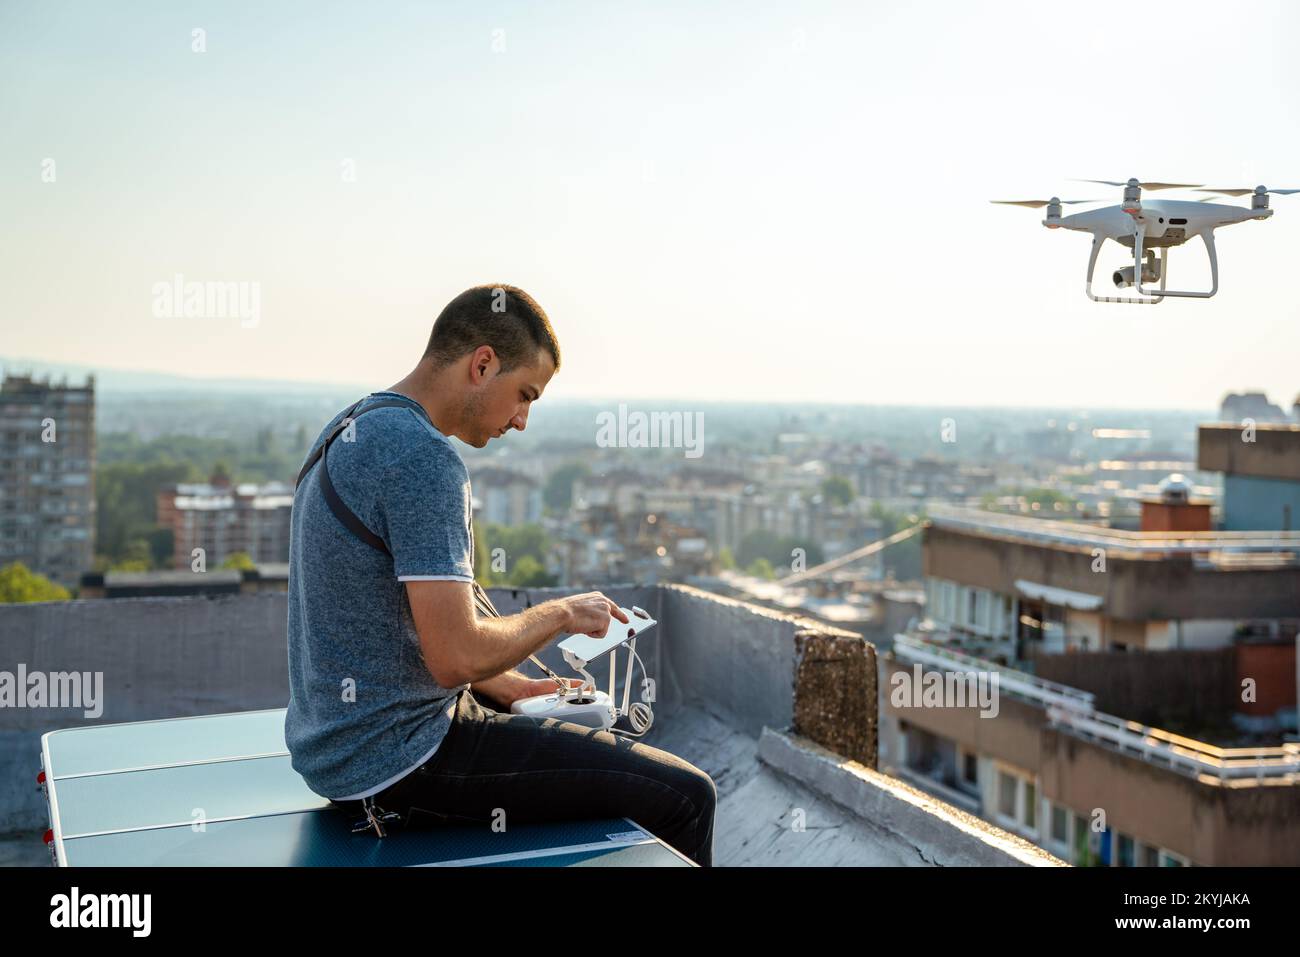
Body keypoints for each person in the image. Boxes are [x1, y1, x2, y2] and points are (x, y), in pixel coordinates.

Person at [284, 284, 716, 866]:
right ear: (482, 363)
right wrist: (561, 614)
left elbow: (410, 630)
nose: (521, 421)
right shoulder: (422, 458)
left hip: (340, 753)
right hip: (403, 763)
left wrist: (515, 689)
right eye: (524, 395)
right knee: (686, 796)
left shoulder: (353, 425)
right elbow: (455, 657)